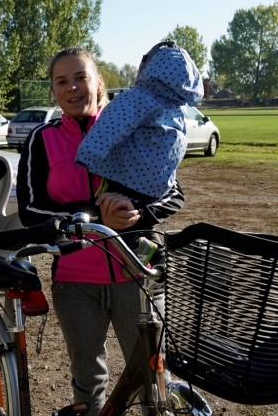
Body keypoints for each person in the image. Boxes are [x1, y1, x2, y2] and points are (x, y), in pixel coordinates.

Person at [17, 46, 185, 416]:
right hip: (76, 283)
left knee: (153, 378)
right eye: (62, 81)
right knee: (89, 384)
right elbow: (31, 211)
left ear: (99, 83)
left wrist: (139, 212)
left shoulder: (133, 124)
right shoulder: (41, 140)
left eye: (81, 77)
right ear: (54, 91)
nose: (73, 87)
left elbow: (173, 192)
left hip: (136, 275)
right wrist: (90, 215)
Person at [75, 40, 203, 267]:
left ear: (151, 69)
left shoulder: (139, 98)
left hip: (128, 177)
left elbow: (113, 125)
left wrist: (88, 153)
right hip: (158, 186)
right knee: (139, 224)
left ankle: (149, 253)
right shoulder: (177, 110)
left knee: (113, 219)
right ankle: (153, 251)